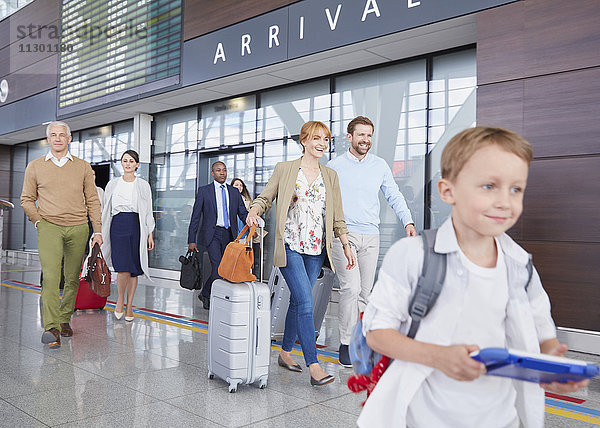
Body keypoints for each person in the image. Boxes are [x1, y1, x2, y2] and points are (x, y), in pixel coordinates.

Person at [357, 127, 589, 427]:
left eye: (516, 189)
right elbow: (376, 332)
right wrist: (439, 356)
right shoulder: (412, 256)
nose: (505, 201)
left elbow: (543, 336)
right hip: (423, 417)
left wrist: (550, 368)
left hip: (502, 418)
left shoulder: (520, 265)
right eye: (489, 186)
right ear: (447, 191)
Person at [246, 121, 357, 386]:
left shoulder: (330, 176)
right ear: (304, 140)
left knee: (298, 302)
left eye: (326, 140)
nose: (322, 144)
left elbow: (337, 217)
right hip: (290, 246)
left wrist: (345, 243)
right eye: (317, 138)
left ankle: (285, 353)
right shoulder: (285, 170)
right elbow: (266, 197)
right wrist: (254, 210)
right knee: (306, 303)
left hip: (316, 249)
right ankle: (314, 365)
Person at [328, 116, 417, 366]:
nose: (366, 140)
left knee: (365, 294)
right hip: (344, 235)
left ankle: (359, 339)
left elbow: (394, 196)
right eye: (361, 135)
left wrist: (408, 222)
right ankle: (345, 343)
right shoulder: (334, 166)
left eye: (369, 135)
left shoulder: (380, 166)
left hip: (372, 236)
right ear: (350, 137)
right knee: (351, 289)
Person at [20, 121, 102, 348]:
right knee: (51, 276)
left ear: (69, 139)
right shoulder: (35, 166)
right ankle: (51, 327)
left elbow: (93, 200)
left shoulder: (83, 167)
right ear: (48, 139)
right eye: (53, 135)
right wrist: (38, 221)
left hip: (78, 227)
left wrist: (97, 231)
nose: (57, 138)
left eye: (62, 135)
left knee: (72, 277)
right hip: (49, 226)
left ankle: (65, 319)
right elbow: (26, 199)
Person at [101, 150, 155, 322]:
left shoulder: (143, 185)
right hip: (117, 225)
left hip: (136, 225)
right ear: (121, 163)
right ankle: (120, 299)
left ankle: (130, 304)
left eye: (131, 161)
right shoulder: (112, 184)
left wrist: (150, 234)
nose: (128, 164)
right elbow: (105, 210)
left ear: (137, 164)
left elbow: (148, 211)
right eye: (125, 161)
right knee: (122, 266)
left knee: (133, 269)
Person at [188, 161, 248, 310]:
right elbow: (195, 217)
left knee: (225, 267)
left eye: (224, 170)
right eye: (218, 170)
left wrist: (253, 219)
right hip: (212, 234)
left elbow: (242, 213)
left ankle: (206, 292)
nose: (222, 173)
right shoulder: (204, 191)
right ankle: (212, 297)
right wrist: (191, 240)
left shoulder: (233, 192)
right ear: (212, 173)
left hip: (229, 234)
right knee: (218, 266)